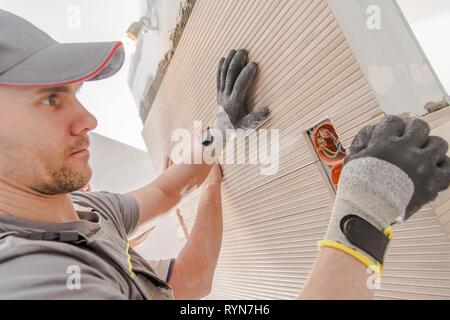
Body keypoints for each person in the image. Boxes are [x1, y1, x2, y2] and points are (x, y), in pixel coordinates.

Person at [1, 9, 449, 300]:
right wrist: (365, 215)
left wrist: (220, 131)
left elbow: (168, 192)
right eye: (50, 99)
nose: (89, 121)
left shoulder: (85, 212)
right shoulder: (34, 279)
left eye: (75, 94)